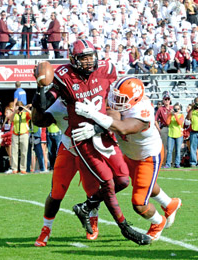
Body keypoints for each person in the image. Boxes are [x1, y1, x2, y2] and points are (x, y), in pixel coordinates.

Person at [32, 39, 151, 246]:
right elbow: (39, 117)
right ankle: (46, 228)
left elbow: (113, 103)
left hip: (99, 134)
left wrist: (101, 126)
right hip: (72, 144)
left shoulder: (105, 70)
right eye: (83, 58)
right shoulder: (62, 83)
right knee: (59, 192)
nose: (88, 62)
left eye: (90, 57)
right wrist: (40, 87)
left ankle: (89, 213)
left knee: (111, 183)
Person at [72, 76, 182, 242]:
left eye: (121, 99)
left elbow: (122, 128)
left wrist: (93, 114)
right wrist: (96, 125)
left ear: (135, 99)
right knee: (144, 185)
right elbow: (113, 117)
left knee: (139, 203)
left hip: (148, 157)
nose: (116, 101)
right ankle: (170, 203)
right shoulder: (123, 103)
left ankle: (158, 222)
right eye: (116, 97)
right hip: (130, 154)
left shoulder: (143, 112)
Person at [8, 101, 31, 174]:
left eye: (20, 106)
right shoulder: (14, 114)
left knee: (24, 152)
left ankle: (23, 168)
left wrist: (25, 108)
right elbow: (10, 120)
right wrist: (15, 111)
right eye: (19, 106)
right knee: (14, 152)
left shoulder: (25, 114)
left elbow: (32, 115)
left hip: (24, 134)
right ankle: (14, 168)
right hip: (15, 134)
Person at [155, 92, 173, 167]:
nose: (167, 101)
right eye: (165, 99)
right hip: (164, 127)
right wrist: (159, 129)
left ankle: (173, 162)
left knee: (172, 146)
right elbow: (155, 120)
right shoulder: (160, 109)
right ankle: (164, 162)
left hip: (173, 128)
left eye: (168, 99)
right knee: (164, 146)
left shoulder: (172, 108)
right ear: (163, 100)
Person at [164, 103, 184, 168]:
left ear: (180, 109)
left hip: (179, 134)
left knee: (178, 150)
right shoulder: (170, 115)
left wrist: (175, 115)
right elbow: (167, 123)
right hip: (171, 134)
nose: (176, 110)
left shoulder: (181, 115)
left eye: (177, 109)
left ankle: (177, 163)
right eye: (175, 109)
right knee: (169, 150)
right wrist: (170, 115)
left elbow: (179, 123)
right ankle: (168, 164)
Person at [186, 97, 198, 167]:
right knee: (193, 148)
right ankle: (193, 162)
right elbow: (188, 118)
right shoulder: (192, 111)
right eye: (196, 102)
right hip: (193, 131)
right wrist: (192, 108)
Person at [1, 107, 13, 174]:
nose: (6, 114)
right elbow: (3, 130)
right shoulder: (5, 121)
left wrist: (2, 136)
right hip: (5, 139)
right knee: (9, 155)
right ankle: (10, 167)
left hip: (10, 139)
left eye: (7, 113)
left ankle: (12, 167)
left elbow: (11, 132)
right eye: (5, 113)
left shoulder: (12, 122)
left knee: (11, 155)